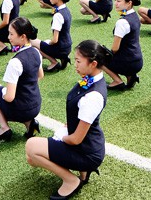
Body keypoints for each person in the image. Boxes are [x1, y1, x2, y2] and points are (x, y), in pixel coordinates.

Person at [25, 40, 111, 200]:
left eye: (78, 61)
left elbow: (76, 139)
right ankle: (83, 173)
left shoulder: (93, 96)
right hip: (85, 144)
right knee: (31, 158)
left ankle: (71, 180)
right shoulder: (92, 79)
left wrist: (61, 138)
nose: (75, 65)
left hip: (86, 151)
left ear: (93, 64)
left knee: (31, 146)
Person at [0, 17, 44, 141]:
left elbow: (9, 97)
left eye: (11, 34)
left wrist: (4, 92)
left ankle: (4, 129)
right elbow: (40, 76)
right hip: (36, 104)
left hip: (22, 108)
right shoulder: (36, 52)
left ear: (23, 36)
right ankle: (29, 124)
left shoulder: (16, 62)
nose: (8, 37)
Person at [104, 0, 143, 90]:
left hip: (129, 62)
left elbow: (115, 48)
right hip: (137, 60)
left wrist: (106, 54)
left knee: (98, 57)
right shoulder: (135, 15)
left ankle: (117, 81)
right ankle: (130, 76)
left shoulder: (122, 22)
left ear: (129, 3)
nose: (115, 3)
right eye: (115, 0)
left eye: (118, 1)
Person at [32, 0, 73, 72]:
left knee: (32, 42)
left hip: (61, 48)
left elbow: (54, 40)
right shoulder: (66, 10)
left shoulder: (58, 15)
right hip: (68, 46)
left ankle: (54, 62)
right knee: (44, 43)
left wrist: (48, 44)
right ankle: (63, 57)